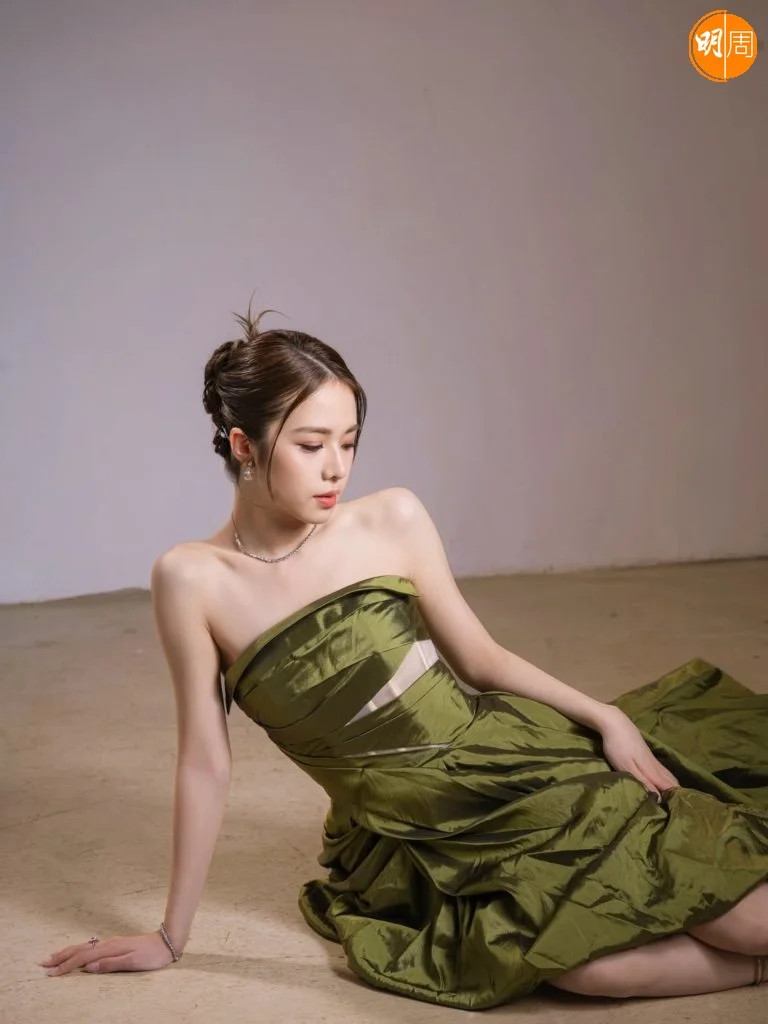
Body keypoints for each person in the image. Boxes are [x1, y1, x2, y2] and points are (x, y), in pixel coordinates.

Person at [42, 306, 768, 1009]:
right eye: (311, 445)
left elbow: (481, 659)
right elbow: (206, 763)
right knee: (589, 971)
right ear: (244, 445)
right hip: (401, 827)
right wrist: (172, 936)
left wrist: (605, 716)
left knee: (740, 920)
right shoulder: (191, 579)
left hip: (507, 766)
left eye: (349, 442)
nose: (336, 468)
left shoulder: (391, 518)